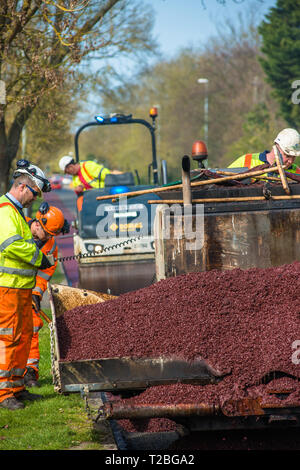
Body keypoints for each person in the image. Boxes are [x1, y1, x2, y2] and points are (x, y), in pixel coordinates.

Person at [0, 159, 54, 410]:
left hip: (19, 288)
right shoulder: (5, 210)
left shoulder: (17, 213)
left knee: (22, 337)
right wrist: (38, 257)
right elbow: (12, 245)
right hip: (8, 288)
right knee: (9, 339)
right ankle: (4, 395)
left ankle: (17, 388)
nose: (34, 199)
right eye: (34, 193)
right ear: (22, 186)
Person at [24, 202, 70, 388]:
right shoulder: (18, 228)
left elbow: (45, 273)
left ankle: (29, 371)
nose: (50, 238)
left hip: (28, 289)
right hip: (7, 287)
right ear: (37, 224)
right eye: (48, 233)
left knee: (33, 326)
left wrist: (36, 293)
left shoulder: (50, 246)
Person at [228, 128, 300, 174]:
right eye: (287, 156)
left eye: (294, 157)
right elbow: (221, 180)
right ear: (276, 148)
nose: (291, 161)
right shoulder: (246, 161)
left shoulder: (297, 173)